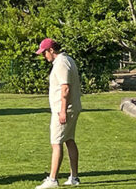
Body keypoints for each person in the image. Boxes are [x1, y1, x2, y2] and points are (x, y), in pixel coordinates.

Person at [35, 38, 82, 188]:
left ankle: (53, 179)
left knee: (56, 143)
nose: (44, 57)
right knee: (69, 140)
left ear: (51, 50)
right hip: (71, 107)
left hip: (64, 109)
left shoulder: (61, 63)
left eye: (44, 53)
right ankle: (74, 177)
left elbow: (65, 88)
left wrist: (62, 111)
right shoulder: (68, 59)